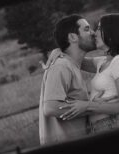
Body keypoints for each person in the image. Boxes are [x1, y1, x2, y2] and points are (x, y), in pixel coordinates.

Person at [60, 13, 119, 133]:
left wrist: (88, 105)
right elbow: (76, 59)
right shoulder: (104, 62)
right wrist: (57, 52)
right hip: (96, 128)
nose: (95, 33)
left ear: (112, 33)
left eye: (99, 28)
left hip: (109, 126)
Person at [38, 13, 96, 144]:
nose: (93, 33)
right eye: (87, 29)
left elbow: (105, 63)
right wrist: (94, 108)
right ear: (72, 37)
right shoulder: (62, 66)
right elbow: (51, 108)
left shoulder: (70, 64)